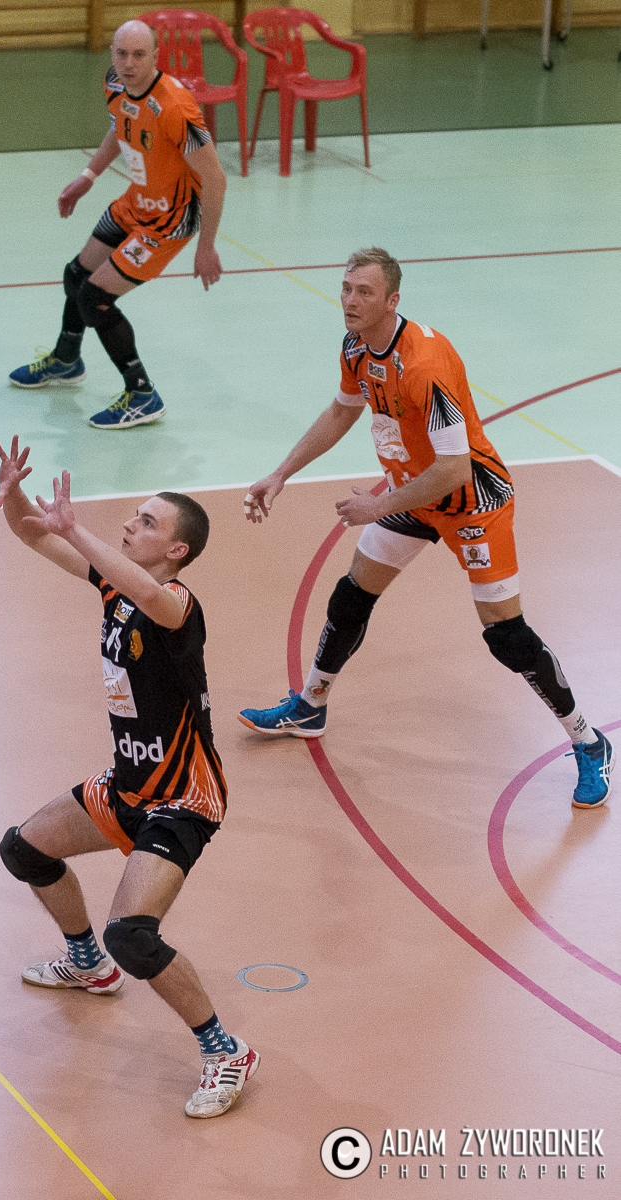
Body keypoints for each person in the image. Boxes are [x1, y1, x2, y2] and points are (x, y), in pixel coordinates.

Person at [238, 247, 612, 811]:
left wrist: (376, 506)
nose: (350, 301)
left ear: (393, 300)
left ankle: (589, 741)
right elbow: (341, 411)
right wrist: (280, 473)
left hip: (471, 503)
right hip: (413, 491)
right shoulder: (356, 346)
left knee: (506, 636)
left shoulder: (425, 366)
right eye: (346, 289)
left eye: (364, 292)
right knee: (353, 593)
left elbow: (454, 469)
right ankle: (310, 706)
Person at [0, 436, 259, 1118]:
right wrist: (14, 498)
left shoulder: (176, 604)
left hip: (183, 799)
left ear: (176, 550)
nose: (130, 525)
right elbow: (33, 536)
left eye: (146, 522)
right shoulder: (115, 584)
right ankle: (86, 963)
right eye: (134, 516)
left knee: (134, 936)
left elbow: (143, 590)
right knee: (24, 849)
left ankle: (225, 1050)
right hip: (126, 786)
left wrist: (75, 529)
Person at [7, 20, 227, 430]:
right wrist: (88, 177)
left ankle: (142, 394)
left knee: (94, 298)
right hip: (136, 201)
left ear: (156, 56)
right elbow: (119, 127)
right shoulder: (115, 82)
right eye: (122, 54)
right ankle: (66, 360)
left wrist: (205, 246)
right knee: (76, 275)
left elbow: (214, 179)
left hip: (169, 219)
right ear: (112, 54)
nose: (129, 64)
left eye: (139, 55)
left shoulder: (175, 108)